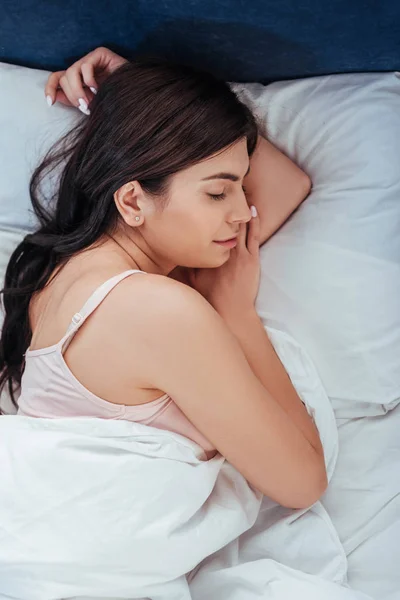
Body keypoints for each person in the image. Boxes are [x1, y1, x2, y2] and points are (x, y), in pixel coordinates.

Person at [0, 47, 327, 509]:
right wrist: (236, 314)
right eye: (217, 193)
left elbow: (285, 185)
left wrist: (138, 90)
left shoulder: (66, 269)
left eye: (240, 185)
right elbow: (304, 485)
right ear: (132, 202)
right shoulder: (155, 310)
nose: (242, 212)